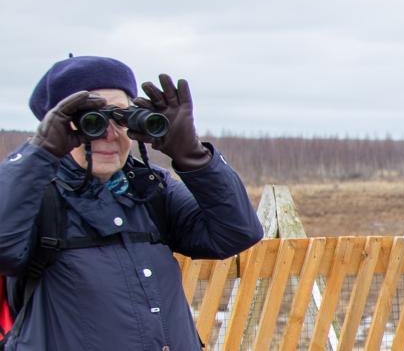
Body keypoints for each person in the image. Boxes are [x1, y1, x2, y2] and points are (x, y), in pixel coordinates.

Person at [0, 56, 264, 350]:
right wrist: (39, 153)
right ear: (56, 126)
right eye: (90, 120)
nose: (109, 133)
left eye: (121, 117)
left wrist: (193, 155)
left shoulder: (149, 189)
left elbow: (238, 233)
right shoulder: (34, 197)